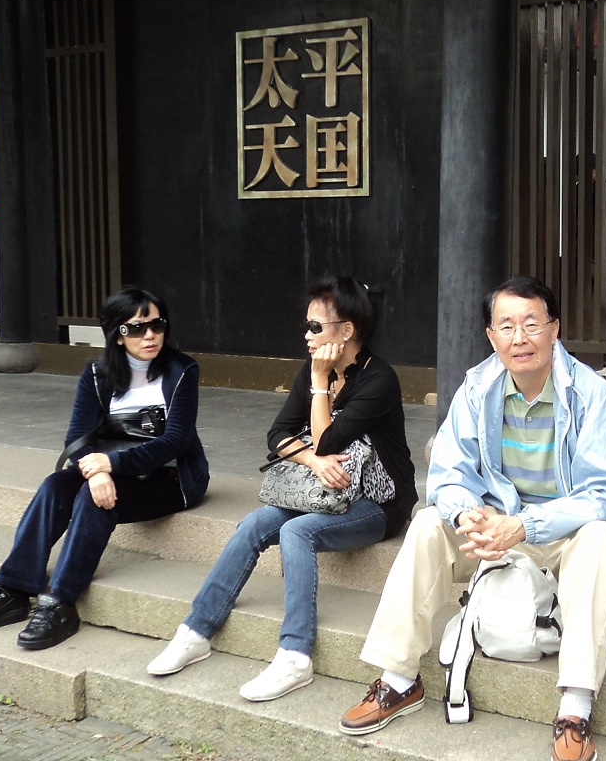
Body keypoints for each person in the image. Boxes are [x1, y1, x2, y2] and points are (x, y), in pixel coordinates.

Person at [339, 275, 606, 761]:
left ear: (555, 329)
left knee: (598, 540)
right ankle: (398, 678)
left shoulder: (592, 394)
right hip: (503, 525)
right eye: (506, 326)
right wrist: (466, 512)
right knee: (428, 524)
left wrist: (524, 525)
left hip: (575, 530)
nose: (519, 337)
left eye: (532, 324)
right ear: (491, 335)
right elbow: (448, 473)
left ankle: (575, 707)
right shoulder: (478, 387)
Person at [148, 276, 417, 700]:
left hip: (378, 503)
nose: (306, 335)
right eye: (306, 326)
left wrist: (319, 384)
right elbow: (278, 435)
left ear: (346, 330)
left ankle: (295, 655)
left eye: (315, 327)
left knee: (296, 532)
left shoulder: (378, 379)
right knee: (255, 523)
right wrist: (312, 460)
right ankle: (196, 630)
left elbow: (327, 440)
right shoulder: (313, 369)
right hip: (322, 491)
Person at [0, 286, 209, 650]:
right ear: (117, 335)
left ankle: (60, 601)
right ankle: (12, 589)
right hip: (110, 469)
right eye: (136, 328)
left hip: (171, 478)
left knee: (94, 501)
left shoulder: (181, 370)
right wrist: (99, 471)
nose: (150, 335)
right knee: (54, 486)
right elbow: (77, 437)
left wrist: (111, 463)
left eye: (157, 325)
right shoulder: (97, 373)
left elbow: (176, 441)